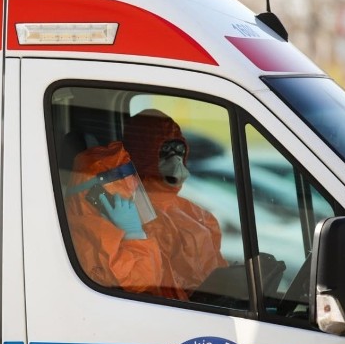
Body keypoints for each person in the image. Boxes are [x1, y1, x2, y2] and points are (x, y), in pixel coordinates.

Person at [122, 109, 228, 298]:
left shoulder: (200, 216)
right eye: (165, 151)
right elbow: (146, 286)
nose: (176, 160)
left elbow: (217, 277)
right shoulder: (127, 211)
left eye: (179, 150)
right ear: (144, 153)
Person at [64, 141, 168, 296]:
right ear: (98, 197)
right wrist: (133, 233)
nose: (132, 200)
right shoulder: (92, 233)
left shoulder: (106, 222)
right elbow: (143, 282)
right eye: (124, 194)